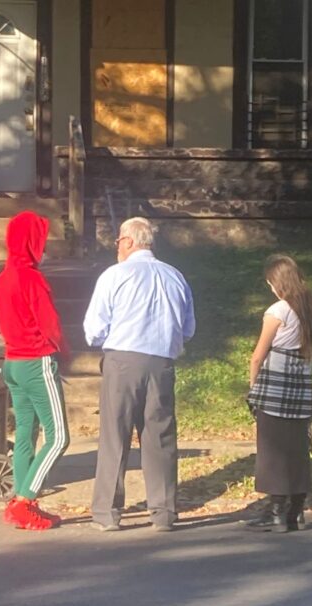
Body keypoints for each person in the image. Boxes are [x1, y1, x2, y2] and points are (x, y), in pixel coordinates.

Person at [83, 217, 196, 532]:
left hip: (123, 360)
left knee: (115, 436)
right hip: (162, 362)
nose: (116, 245)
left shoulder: (115, 275)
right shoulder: (176, 276)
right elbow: (188, 329)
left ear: (129, 241)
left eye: (119, 239)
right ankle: (163, 513)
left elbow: (94, 329)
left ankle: (107, 512)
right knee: (159, 437)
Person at [0, 211, 70, 531]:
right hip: (37, 361)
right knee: (59, 437)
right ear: (30, 242)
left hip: (12, 362)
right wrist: (65, 350)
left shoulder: (2, 279)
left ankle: (20, 503)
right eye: (40, 239)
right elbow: (49, 323)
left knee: (26, 434)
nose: (44, 246)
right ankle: (26, 499)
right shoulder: (32, 279)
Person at [245, 254, 312, 533]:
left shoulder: (278, 311)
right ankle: (296, 511)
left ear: (278, 283)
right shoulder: (311, 309)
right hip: (302, 387)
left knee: (272, 450)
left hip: (276, 387)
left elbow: (258, 356)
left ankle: (276, 511)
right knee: (298, 448)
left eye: (270, 283)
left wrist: (253, 390)